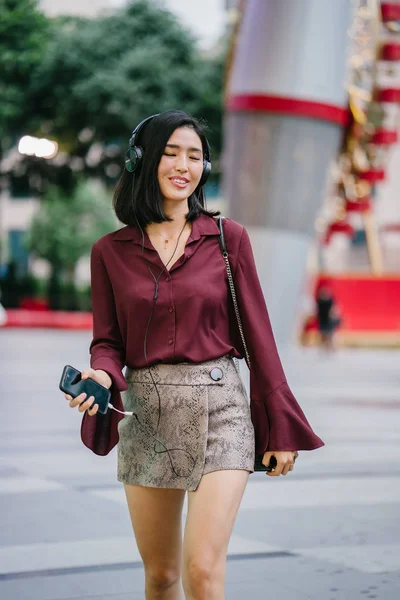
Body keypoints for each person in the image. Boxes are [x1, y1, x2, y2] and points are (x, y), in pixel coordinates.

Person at [63, 110, 324, 600]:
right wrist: (100, 372)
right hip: (148, 414)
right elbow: (108, 340)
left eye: (196, 156)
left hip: (222, 410)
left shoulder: (228, 240)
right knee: (162, 577)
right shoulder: (110, 252)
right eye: (171, 153)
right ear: (141, 160)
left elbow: (259, 337)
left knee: (203, 571)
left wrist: (280, 424)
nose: (185, 165)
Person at [316, 284, 342, 351]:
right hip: (323, 321)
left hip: (328, 321)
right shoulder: (320, 301)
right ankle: (326, 348)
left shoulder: (330, 301)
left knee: (329, 336)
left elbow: (333, 311)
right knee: (325, 336)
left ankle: (329, 348)